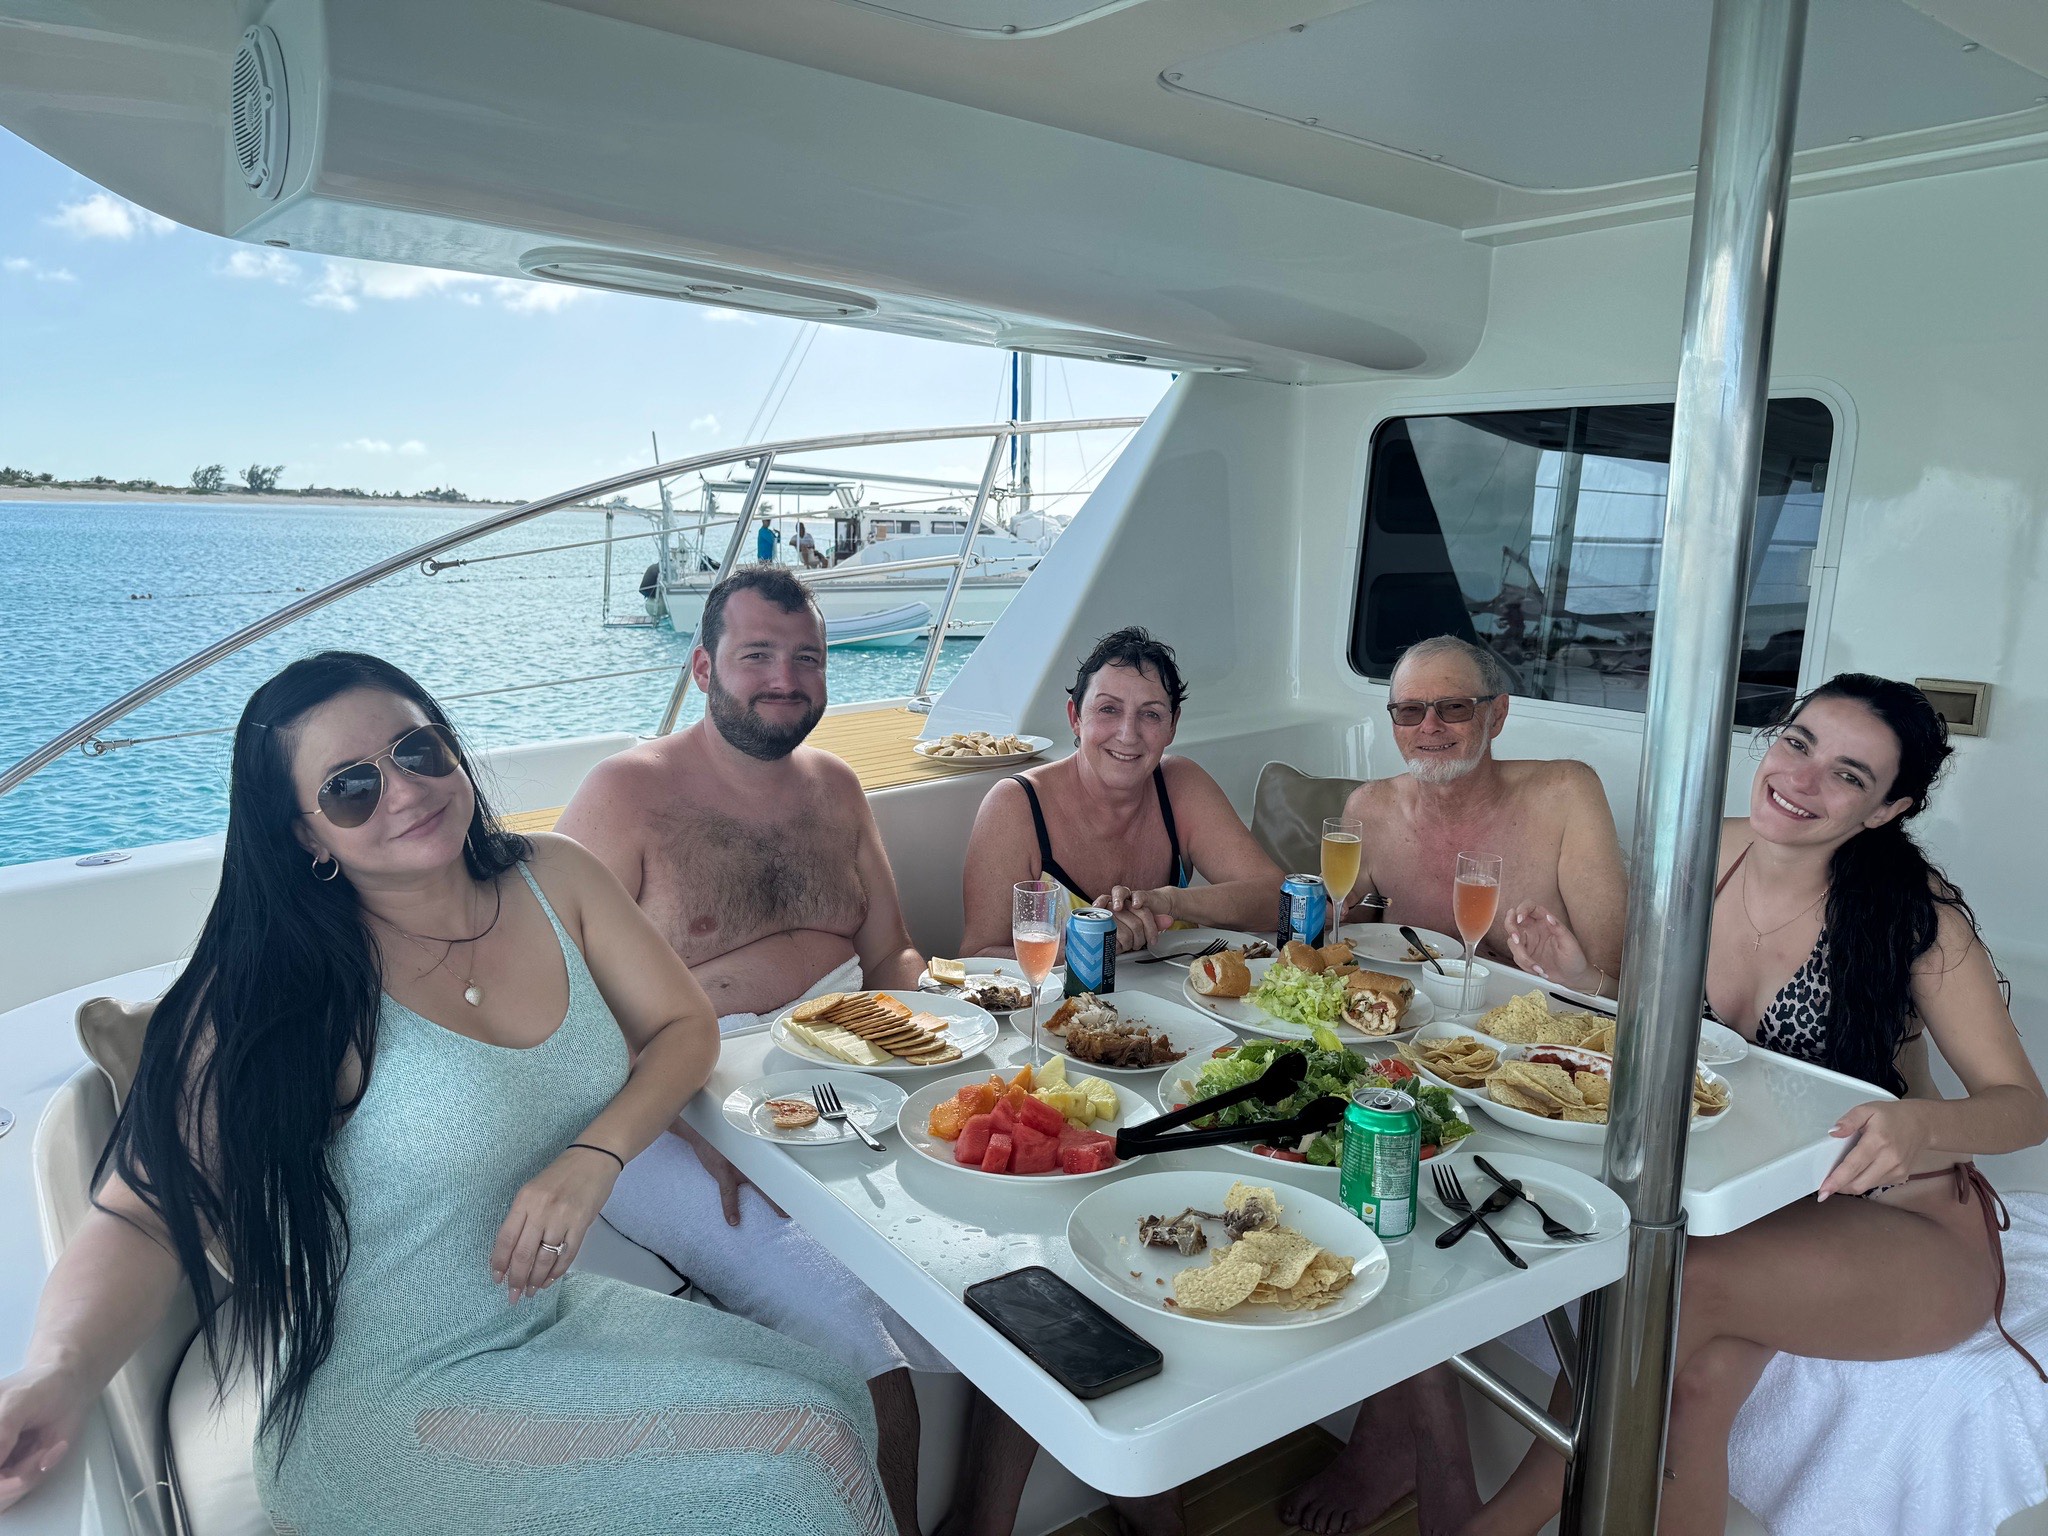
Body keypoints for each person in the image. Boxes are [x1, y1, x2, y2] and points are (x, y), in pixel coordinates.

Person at [0, 652, 891, 1535]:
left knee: (835, 1393)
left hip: (541, 1318)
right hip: (381, 1401)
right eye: (351, 788)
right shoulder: (279, 989)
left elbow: (683, 1026)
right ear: (307, 836)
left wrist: (594, 1157)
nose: (404, 790)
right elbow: (150, 1212)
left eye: (417, 750)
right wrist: (57, 1373)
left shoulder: (556, 879)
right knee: (800, 1461)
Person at [1468, 674, 2048, 1536]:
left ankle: (1498, 1525)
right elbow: (1682, 1034)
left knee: (1670, 1281)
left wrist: (1920, 1122)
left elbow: (2025, 1107)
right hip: (1767, 1205)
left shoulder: (1912, 917)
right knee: (1694, 1388)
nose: (1802, 779)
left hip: (1912, 1226)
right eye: (1798, 743)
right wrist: (1585, 982)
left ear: (1887, 809)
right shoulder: (1712, 856)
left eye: (1849, 775)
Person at [556, 565, 1029, 1536]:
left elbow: (890, 955)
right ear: (703, 668)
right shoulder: (625, 795)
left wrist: (965, 1031)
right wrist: (683, 1116)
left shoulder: (837, 789)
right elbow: (561, 1007)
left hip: (850, 1068)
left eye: (806, 658)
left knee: (1025, 1271)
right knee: (861, 1351)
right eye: (757, 656)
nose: (784, 679)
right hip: (670, 1098)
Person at [1281, 633, 1628, 1536]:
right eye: (1409, 710)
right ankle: (1400, 1446)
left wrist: (1572, 970)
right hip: (1416, 1075)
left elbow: (1616, 981)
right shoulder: (1367, 809)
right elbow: (1348, 952)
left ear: (1496, 714)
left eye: (1453, 708)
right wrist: (1336, 934)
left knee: (1398, 1200)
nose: (1429, 727)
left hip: (1535, 1089)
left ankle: (1423, 1462)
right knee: (1353, 1173)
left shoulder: (1566, 794)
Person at [960, 627, 1282, 958]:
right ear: (1075, 717)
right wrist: (1091, 947)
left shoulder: (1180, 784)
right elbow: (977, 956)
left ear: (1172, 726)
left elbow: (1279, 899)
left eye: (1151, 714)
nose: (1128, 734)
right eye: (1108, 709)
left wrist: (1170, 901)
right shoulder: (1016, 805)